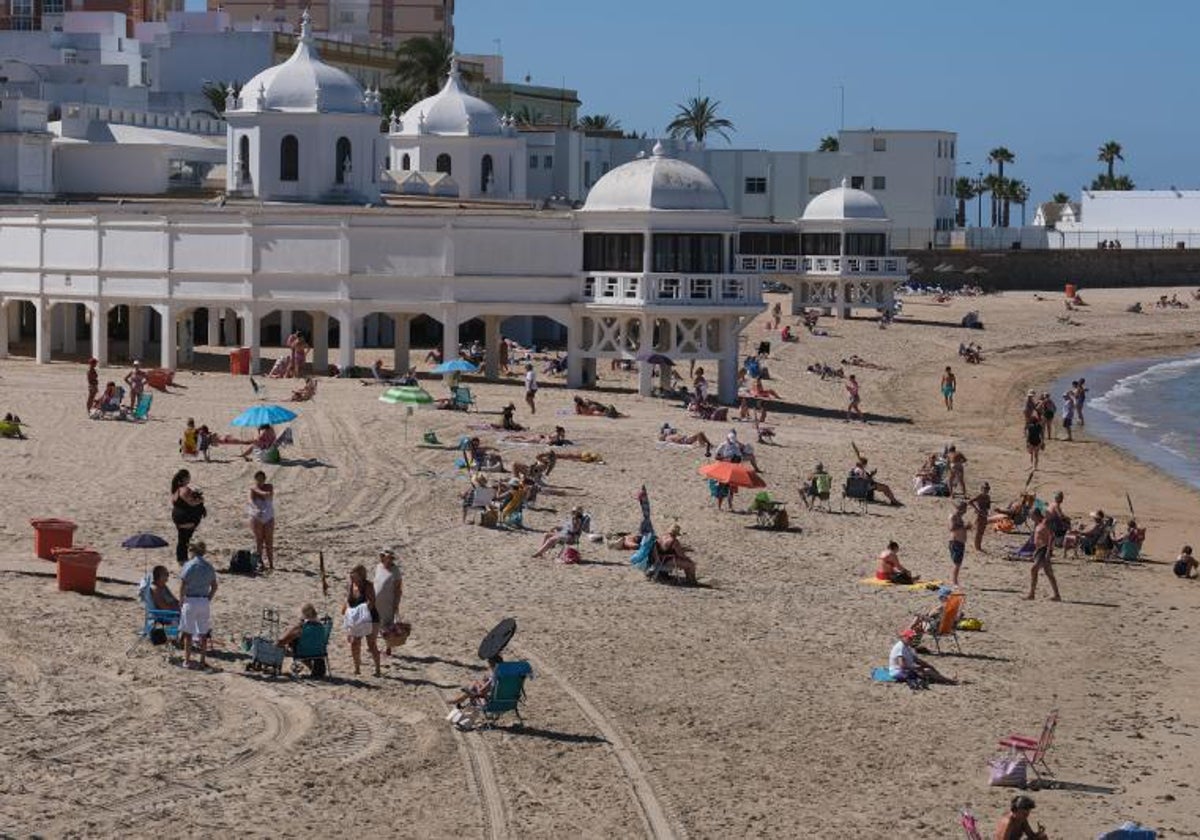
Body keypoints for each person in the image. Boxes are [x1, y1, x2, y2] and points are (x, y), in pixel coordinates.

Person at [177, 540, 217, 670]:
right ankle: (202, 660)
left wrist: (181, 600)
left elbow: (182, 585)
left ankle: (187, 660)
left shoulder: (189, 565)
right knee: (203, 633)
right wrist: (208, 598)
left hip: (191, 600)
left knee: (188, 633)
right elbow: (214, 586)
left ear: (193, 552)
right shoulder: (208, 566)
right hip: (203, 601)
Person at [344, 563, 381, 677]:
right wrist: (346, 611)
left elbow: (372, 601)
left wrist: (361, 614)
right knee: (354, 643)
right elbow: (348, 601)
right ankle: (357, 668)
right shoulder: (351, 585)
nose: (351, 577)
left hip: (370, 618)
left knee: (371, 644)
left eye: (353, 575)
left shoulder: (368, 585)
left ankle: (378, 669)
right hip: (356, 618)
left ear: (360, 575)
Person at [888, 629, 954, 684]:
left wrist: (928, 665)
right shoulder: (900, 647)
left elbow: (916, 660)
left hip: (905, 669)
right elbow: (902, 665)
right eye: (910, 638)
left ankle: (946, 679)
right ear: (904, 637)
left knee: (928, 670)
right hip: (898, 672)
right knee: (927, 672)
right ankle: (948, 681)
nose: (912, 640)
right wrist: (915, 667)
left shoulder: (907, 646)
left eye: (912, 638)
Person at [373, 548, 405, 656]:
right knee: (375, 624)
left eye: (389, 557)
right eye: (385, 557)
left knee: (388, 625)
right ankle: (374, 646)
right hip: (376, 601)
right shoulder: (378, 567)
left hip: (388, 602)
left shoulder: (395, 570)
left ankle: (388, 647)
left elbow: (398, 588)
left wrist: (396, 603)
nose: (387, 559)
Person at [170, 469, 205, 566]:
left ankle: (182, 559)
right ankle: (182, 560)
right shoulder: (184, 489)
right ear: (185, 478)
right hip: (185, 518)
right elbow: (191, 503)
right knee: (184, 539)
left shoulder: (175, 489)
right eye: (188, 476)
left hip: (179, 517)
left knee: (182, 538)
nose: (190, 478)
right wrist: (200, 500)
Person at [1025, 509, 1062, 602]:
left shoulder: (1044, 523)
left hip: (1044, 549)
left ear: (1036, 515)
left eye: (1031, 515)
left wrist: (1048, 551)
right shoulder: (1038, 524)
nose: (1031, 518)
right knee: (1049, 573)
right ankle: (1057, 595)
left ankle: (1031, 594)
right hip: (1039, 550)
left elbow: (1052, 536)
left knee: (1034, 570)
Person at [248, 470, 275, 571]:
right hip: (257, 517)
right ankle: (261, 563)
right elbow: (250, 500)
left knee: (269, 541)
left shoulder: (269, 486)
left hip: (268, 516)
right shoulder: (253, 488)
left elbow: (268, 494)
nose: (260, 481)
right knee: (259, 541)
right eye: (258, 479)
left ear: (265, 479)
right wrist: (255, 509)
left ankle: (271, 564)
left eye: (262, 479)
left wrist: (264, 493)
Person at [949, 501, 968, 585]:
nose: (965, 511)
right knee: (957, 564)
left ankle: (955, 581)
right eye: (964, 508)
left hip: (960, 542)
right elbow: (952, 528)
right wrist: (964, 527)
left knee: (958, 564)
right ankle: (954, 582)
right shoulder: (953, 516)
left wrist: (966, 528)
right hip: (955, 542)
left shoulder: (960, 517)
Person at [968, 482, 992, 552]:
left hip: (984, 514)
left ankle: (979, 546)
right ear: (981, 489)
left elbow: (988, 506)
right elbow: (970, 502)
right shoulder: (979, 496)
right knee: (978, 531)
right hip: (979, 514)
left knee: (982, 531)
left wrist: (988, 512)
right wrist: (977, 509)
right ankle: (976, 547)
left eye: (987, 489)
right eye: (984, 489)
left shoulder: (988, 497)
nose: (986, 490)